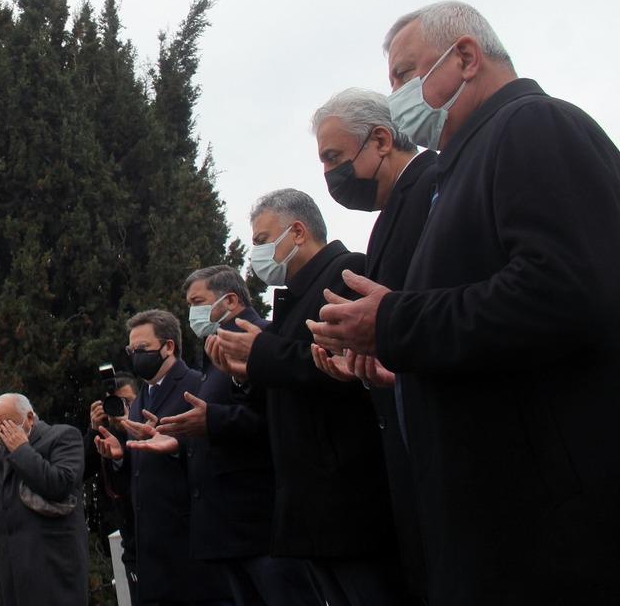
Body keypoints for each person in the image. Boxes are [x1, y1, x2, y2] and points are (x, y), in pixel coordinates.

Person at [309, 1, 620, 605]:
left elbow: (568, 290)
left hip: (554, 535)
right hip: (496, 526)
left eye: (404, 74)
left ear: (466, 58)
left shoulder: (534, 125)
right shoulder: (460, 169)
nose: (395, 94)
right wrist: (399, 356)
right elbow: (485, 325)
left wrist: (395, 319)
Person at [207, 190, 408, 605]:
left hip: (350, 501)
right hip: (311, 507)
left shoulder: (345, 273)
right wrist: (245, 374)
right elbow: (288, 380)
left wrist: (261, 352)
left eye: (262, 240)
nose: (257, 255)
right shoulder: (293, 299)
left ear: (297, 231)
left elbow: (338, 361)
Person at [309, 88, 435, 603]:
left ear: (381, 140)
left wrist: (386, 327)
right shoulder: (388, 216)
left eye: (334, 157)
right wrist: (365, 359)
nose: (330, 175)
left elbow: (435, 306)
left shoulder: (432, 188)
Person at [127, 267, 319, 606]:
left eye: (198, 302)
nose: (192, 313)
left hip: (260, 525)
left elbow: (273, 418)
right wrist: (177, 440)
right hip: (227, 530)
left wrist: (210, 420)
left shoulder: (261, 339)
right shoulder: (214, 356)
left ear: (230, 300)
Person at [94, 309, 231, 605]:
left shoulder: (196, 385)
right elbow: (138, 469)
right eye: (131, 350)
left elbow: (217, 448)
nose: (135, 356)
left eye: (142, 349)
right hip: (151, 545)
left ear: (168, 346)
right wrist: (119, 458)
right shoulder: (143, 395)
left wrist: (177, 444)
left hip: (190, 541)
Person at [0, 392, 88, 606]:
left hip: (54, 568)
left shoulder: (63, 436)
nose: (3, 431)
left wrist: (21, 450)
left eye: (8, 423)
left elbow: (59, 484)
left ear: (29, 418)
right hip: (13, 573)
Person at [85, 374, 140, 603]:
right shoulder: (105, 437)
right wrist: (93, 430)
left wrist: (131, 426)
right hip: (132, 545)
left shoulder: (153, 425)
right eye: (116, 403)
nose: (122, 408)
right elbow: (82, 470)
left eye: (128, 401)